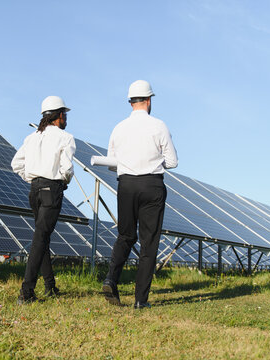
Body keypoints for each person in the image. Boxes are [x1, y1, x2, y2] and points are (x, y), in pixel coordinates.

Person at [102, 80, 178, 309]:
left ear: (130, 101)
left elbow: (111, 163)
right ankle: (140, 300)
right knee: (149, 243)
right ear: (148, 100)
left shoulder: (118, 128)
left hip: (126, 185)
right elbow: (173, 162)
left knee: (125, 236)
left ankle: (110, 279)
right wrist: (152, 160)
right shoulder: (159, 126)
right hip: (151, 185)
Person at [11, 95, 76, 304]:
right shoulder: (65, 138)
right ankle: (26, 292)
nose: (66, 118)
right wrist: (62, 181)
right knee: (40, 239)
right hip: (51, 190)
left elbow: (16, 164)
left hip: (35, 191)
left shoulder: (31, 138)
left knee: (42, 238)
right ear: (58, 116)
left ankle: (50, 286)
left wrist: (32, 176)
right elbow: (66, 168)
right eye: (64, 114)